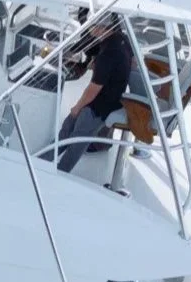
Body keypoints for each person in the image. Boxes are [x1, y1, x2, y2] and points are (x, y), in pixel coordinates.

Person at [56, 10, 134, 174]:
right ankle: (48, 160)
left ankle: (59, 171)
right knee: (68, 129)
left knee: (74, 137)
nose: (88, 28)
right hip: (115, 98)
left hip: (99, 107)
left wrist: (76, 108)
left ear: (99, 28)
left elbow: (92, 91)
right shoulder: (122, 39)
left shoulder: (107, 54)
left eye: (90, 25)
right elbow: (133, 63)